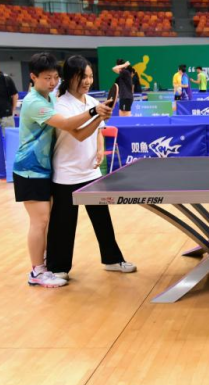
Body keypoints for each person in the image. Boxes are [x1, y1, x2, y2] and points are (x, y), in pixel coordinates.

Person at [13, 52, 112, 288]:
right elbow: (67, 124)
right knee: (40, 221)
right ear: (33, 77)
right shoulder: (35, 102)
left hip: (45, 169)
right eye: (47, 78)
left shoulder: (49, 97)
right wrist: (94, 111)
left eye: (55, 77)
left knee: (46, 221)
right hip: (30, 170)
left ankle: (45, 264)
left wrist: (95, 118)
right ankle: (37, 271)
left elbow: (79, 129)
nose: (52, 82)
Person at [46, 56, 136, 280]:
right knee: (64, 223)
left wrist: (99, 149)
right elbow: (78, 134)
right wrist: (97, 114)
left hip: (91, 172)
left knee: (102, 219)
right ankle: (58, 268)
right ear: (70, 77)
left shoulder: (91, 101)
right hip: (66, 173)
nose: (88, 81)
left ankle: (112, 260)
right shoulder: (60, 104)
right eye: (82, 76)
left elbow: (97, 131)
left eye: (90, 76)